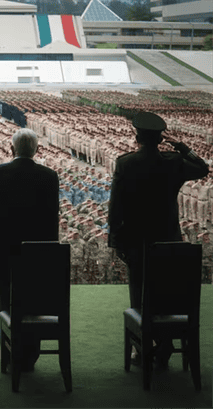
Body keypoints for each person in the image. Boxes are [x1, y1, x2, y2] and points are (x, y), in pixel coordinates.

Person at [108, 112, 209, 369]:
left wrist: (116, 241)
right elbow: (202, 168)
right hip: (168, 240)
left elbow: (115, 207)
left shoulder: (126, 163)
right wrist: (182, 147)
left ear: (137, 137)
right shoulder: (173, 161)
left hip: (136, 241)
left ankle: (143, 350)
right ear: (160, 138)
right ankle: (164, 348)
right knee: (165, 294)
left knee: (139, 294)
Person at [0, 128, 59, 372]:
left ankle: (9, 355)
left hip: (6, 254)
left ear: (11, 149)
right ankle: (30, 356)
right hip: (36, 256)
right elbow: (51, 219)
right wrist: (49, 254)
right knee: (34, 302)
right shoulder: (49, 176)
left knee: (6, 303)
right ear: (36, 150)